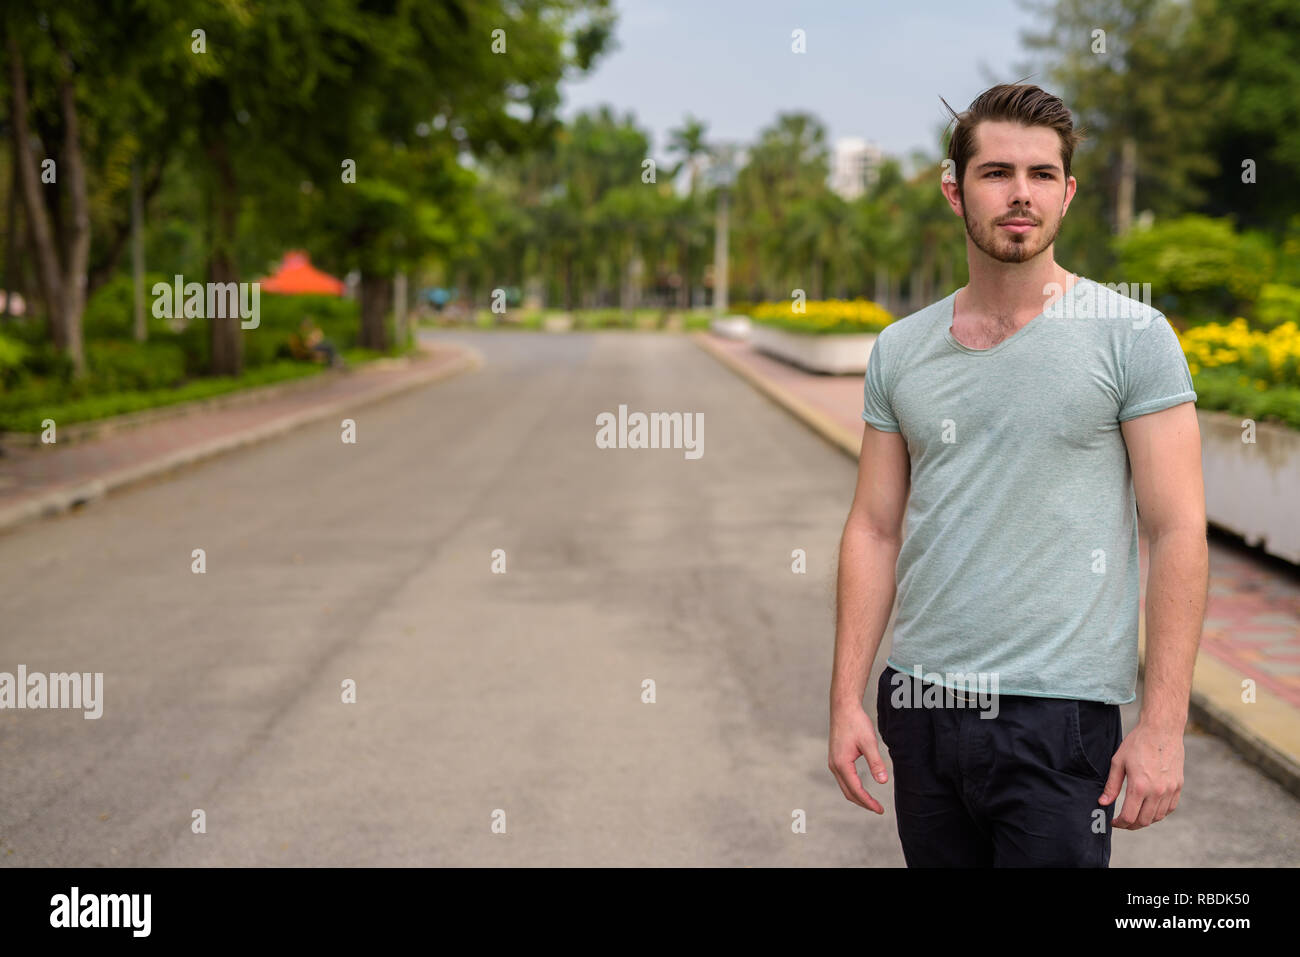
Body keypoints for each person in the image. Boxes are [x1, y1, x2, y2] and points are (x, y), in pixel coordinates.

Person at [828, 84, 1207, 867]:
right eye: (997, 172)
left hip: (1060, 714)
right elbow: (873, 526)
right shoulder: (900, 350)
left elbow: (1177, 530)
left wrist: (1164, 725)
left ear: (1068, 193)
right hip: (922, 703)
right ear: (954, 188)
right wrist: (846, 698)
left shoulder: (1131, 337)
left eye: (1042, 175)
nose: (1020, 195)